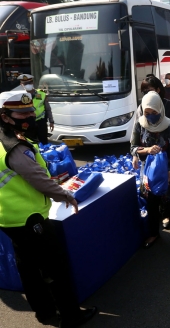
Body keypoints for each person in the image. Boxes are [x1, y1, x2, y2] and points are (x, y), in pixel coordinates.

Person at [0, 91, 97, 327]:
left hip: (9, 218)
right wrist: (65, 195)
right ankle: (71, 316)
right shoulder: (15, 147)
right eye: (22, 113)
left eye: (31, 111)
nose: (30, 116)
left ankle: (44, 312)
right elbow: (39, 179)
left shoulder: (5, 139)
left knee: (28, 268)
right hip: (29, 218)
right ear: (5, 117)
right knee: (55, 268)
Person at [130, 92, 170, 256]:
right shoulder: (140, 125)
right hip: (149, 175)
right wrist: (147, 150)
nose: (150, 117)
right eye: (147, 113)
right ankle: (154, 234)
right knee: (152, 207)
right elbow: (133, 147)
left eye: (154, 113)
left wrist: (169, 173)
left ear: (160, 110)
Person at [135, 76, 170, 222]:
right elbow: (136, 139)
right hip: (151, 163)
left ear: (158, 90)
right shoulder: (142, 108)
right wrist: (138, 154)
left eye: (150, 90)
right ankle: (164, 216)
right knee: (154, 190)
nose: (147, 94)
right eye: (144, 91)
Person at [16, 74, 54, 145]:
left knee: (43, 142)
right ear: (21, 84)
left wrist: (51, 121)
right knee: (30, 143)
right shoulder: (19, 96)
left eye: (29, 83)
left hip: (41, 122)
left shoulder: (42, 94)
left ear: (32, 82)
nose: (28, 85)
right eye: (25, 83)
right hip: (27, 123)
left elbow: (48, 109)